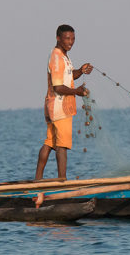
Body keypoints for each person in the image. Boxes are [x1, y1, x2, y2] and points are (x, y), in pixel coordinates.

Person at [35, 24, 93, 180]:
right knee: (62, 146)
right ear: (58, 38)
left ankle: (37, 180)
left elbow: (68, 77)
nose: (71, 42)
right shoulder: (57, 57)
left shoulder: (63, 56)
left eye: (73, 38)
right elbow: (58, 86)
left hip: (55, 107)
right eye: (67, 38)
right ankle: (62, 180)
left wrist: (80, 70)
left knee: (49, 143)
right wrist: (77, 92)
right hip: (60, 108)